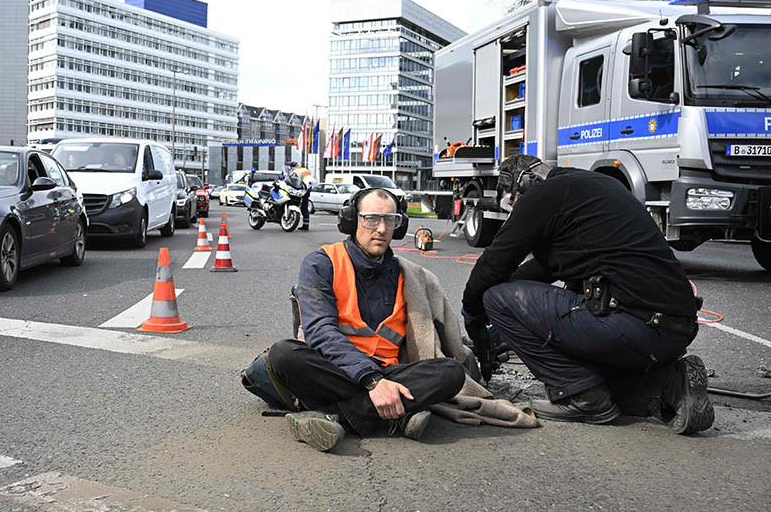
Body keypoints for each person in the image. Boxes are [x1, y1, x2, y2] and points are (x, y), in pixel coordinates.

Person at [461, 154, 713, 434]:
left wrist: (472, 312)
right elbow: (541, 271)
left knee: (494, 298)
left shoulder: (542, 194)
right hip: (674, 331)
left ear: (525, 182)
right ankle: (670, 384)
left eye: (513, 202)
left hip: (633, 327)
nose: (516, 211)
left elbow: (494, 265)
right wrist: (502, 331)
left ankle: (580, 396)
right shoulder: (591, 188)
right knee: (607, 383)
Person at [265, 188, 468, 451]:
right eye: (371, 219)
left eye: (390, 220)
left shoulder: (407, 275)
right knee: (283, 354)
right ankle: (395, 414)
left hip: (389, 371)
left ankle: (333, 416)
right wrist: (373, 381)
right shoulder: (322, 263)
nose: (382, 229)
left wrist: (381, 379)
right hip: (335, 368)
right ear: (352, 220)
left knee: (450, 373)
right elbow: (320, 331)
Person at [287, 161, 314, 230]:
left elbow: (293, 181)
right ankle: (306, 224)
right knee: (304, 207)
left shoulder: (295, 171)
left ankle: (290, 217)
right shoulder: (305, 170)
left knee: (292, 202)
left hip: (300, 190)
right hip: (307, 189)